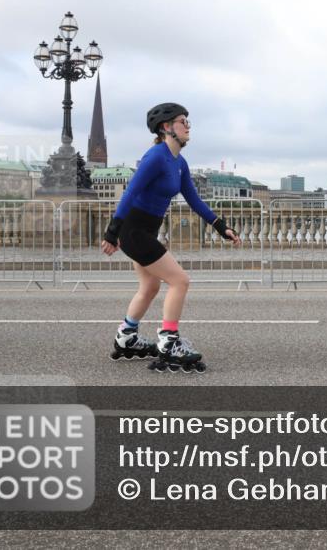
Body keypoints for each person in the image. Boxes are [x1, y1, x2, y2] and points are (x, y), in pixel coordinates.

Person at [100, 103, 241, 372]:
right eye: (182, 121)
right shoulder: (155, 156)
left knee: (150, 287)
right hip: (134, 230)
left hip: (147, 230)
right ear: (166, 127)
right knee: (180, 280)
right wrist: (113, 230)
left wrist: (221, 226)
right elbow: (130, 193)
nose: (188, 125)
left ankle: (126, 337)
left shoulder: (179, 162)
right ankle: (169, 341)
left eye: (188, 121)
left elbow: (194, 200)